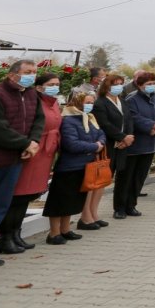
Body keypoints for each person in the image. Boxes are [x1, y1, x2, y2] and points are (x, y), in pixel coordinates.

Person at [0, 60, 46, 267]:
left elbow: (38, 120)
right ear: (12, 75)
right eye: (27, 72)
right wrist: (25, 143)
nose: (32, 75)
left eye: (34, 72)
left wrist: (34, 141)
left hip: (14, 161)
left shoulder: (31, 95)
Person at [0, 72, 62, 255]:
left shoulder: (53, 102)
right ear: (40, 86)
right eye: (51, 84)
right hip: (31, 151)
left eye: (57, 83)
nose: (55, 87)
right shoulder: (34, 101)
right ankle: (5, 237)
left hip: (44, 153)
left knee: (27, 196)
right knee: (17, 195)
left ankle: (16, 234)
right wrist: (30, 144)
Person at [44, 89, 105, 244]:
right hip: (69, 167)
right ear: (77, 102)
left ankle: (65, 230)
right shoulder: (69, 120)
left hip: (85, 165)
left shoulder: (89, 118)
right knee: (60, 201)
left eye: (92, 103)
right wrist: (94, 146)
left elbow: (100, 133)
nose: (90, 106)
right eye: (87, 103)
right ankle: (54, 233)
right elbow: (71, 143)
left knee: (73, 200)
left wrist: (99, 143)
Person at [115, 72, 155, 219]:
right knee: (126, 177)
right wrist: (151, 125)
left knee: (139, 177)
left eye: (153, 83)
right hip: (135, 145)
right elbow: (132, 116)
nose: (152, 86)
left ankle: (131, 205)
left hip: (152, 144)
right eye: (148, 84)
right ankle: (119, 207)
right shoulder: (132, 98)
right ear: (139, 85)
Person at [93, 74, 132, 219]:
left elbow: (128, 119)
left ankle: (119, 208)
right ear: (107, 86)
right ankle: (92, 213)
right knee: (103, 179)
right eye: (115, 84)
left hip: (123, 146)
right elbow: (104, 124)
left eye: (121, 83)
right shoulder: (100, 103)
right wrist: (121, 137)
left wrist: (128, 137)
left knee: (123, 178)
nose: (119, 86)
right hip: (108, 146)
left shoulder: (122, 101)